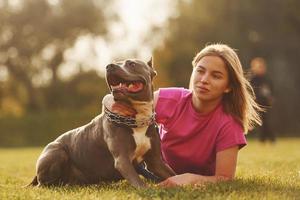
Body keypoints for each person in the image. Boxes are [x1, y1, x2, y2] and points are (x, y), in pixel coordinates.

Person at [105, 44, 262, 187]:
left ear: (228, 86)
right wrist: (108, 101)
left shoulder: (229, 124)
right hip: (152, 173)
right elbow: (122, 99)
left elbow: (225, 178)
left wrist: (190, 179)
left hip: (193, 178)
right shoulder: (171, 99)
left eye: (216, 76)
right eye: (200, 71)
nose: (204, 79)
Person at [250, 57, 275, 143]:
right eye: (258, 67)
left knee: (267, 121)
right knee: (260, 122)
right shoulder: (252, 79)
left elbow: (271, 90)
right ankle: (262, 139)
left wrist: (271, 98)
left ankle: (271, 139)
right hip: (257, 104)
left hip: (266, 104)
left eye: (262, 67)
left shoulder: (267, 79)